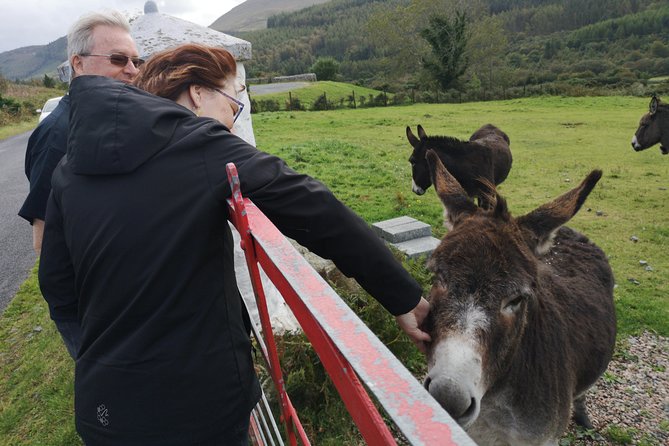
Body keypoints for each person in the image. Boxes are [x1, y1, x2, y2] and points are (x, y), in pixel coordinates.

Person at [39, 43, 431, 445]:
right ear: (196, 94)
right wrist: (403, 297)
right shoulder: (199, 143)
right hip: (197, 414)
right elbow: (316, 208)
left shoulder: (71, 166)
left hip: (102, 408)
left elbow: (56, 285)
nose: (232, 121)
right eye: (233, 104)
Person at [18, 10, 142, 359]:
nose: (132, 70)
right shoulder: (60, 134)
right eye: (119, 59)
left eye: (136, 60)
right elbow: (44, 238)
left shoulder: (105, 118)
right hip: (88, 305)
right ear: (79, 63)